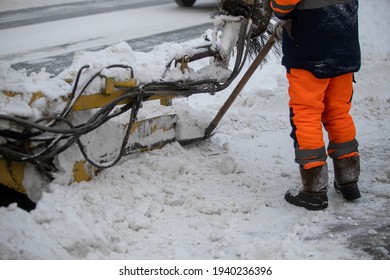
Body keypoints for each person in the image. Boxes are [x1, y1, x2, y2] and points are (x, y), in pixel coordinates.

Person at [222, 0, 362, 210]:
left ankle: (314, 190)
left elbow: (282, 4)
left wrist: (283, 13)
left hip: (310, 48)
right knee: (338, 112)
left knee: (306, 114)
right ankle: (348, 180)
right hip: (344, 41)